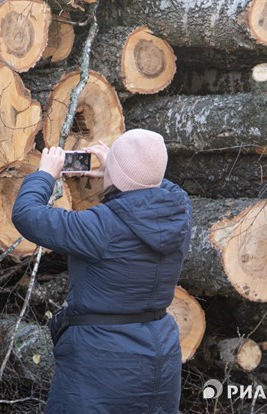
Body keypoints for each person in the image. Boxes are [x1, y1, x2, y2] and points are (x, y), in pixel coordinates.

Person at [11, 129, 192, 413]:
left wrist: (45, 175)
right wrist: (121, 170)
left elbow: (27, 215)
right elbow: (158, 185)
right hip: (161, 352)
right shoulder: (179, 214)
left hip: (101, 359)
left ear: (118, 176)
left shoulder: (101, 226)